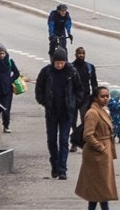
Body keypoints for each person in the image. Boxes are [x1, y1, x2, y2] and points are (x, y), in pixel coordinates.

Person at [37, 48, 86, 179]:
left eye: (61, 63)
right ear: (53, 61)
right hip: (52, 112)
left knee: (64, 140)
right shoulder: (46, 72)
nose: (59, 65)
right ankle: (54, 164)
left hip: (66, 112)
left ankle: (62, 169)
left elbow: (79, 90)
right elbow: (39, 89)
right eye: (57, 63)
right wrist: (45, 102)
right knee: (52, 140)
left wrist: (74, 104)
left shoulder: (71, 72)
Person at [76, 86, 120, 210]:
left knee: (98, 184)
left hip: (102, 152)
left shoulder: (101, 110)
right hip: (96, 154)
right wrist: (101, 148)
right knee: (101, 184)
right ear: (95, 98)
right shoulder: (93, 113)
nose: (106, 98)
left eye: (107, 96)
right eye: (103, 96)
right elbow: (88, 135)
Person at [71, 47, 99, 150]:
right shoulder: (71, 67)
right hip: (73, 98)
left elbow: (94, 83)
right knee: (72, 122)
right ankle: (74, 141)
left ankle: (82, 141)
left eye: (83, 53)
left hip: (86, 98)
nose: (81, 55)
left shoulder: (89, 67)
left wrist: (95, 97)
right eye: (79, 53)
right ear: (75, 54)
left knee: (85, 121)